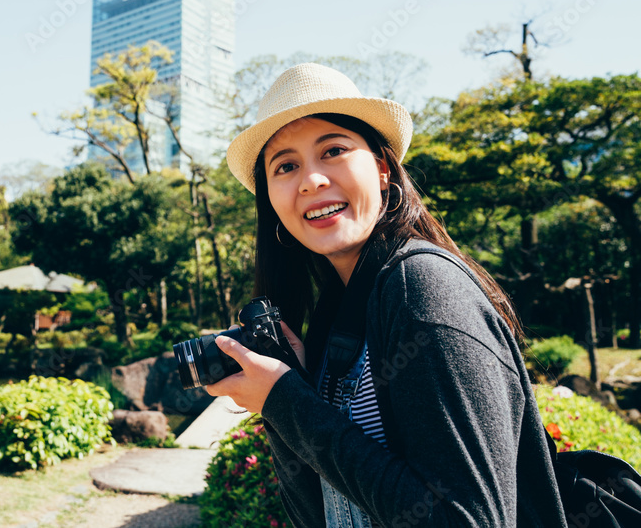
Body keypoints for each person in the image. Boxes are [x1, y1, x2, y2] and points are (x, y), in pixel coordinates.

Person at [204, 63, 567, 527]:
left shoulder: (423, 290)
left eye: (333, 150)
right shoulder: (340, 314)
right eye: (286, 166)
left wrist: (285, 400)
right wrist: (290, 394)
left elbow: (470, 519)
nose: (311, 179)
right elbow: (315, 517)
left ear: (381, 169)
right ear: (271, 200)